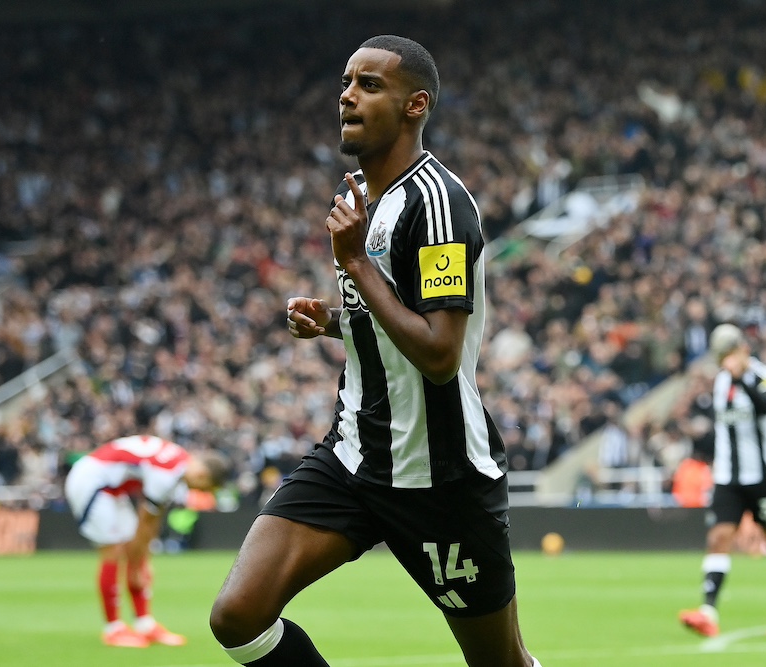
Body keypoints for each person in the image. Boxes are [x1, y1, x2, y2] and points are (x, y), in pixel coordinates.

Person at [209, 35, 543, 667]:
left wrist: (357, 263)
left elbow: (441, 353)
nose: (347, 96)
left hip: (439, 476)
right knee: (238, 615)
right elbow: (395, 316)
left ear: (415, 105)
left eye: (369, 85)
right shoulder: (364, 193)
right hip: (354, 457)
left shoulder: (438, 204)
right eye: (346, 82)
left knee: (501, 664)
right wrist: (334, 322)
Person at [678, 324, 766, 638]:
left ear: (743, 350)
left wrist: (742, 378)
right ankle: (708, 611)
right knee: (719, 536)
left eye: (728, 354)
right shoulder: (721, 381)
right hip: (728, 478)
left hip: (763, 478)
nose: (725, 362)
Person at [65, 421, 229, 648]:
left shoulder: (178, 464)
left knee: (135, 554)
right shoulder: (168, 474)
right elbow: (146, 520)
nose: (196, 492)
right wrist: (139, 564)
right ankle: (114, 628)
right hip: (91, 483)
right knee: (113, 551)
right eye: (202, 487)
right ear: (201, 474)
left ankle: (144, 624)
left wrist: (142, 558)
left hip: (111, 488)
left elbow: (154, 517)